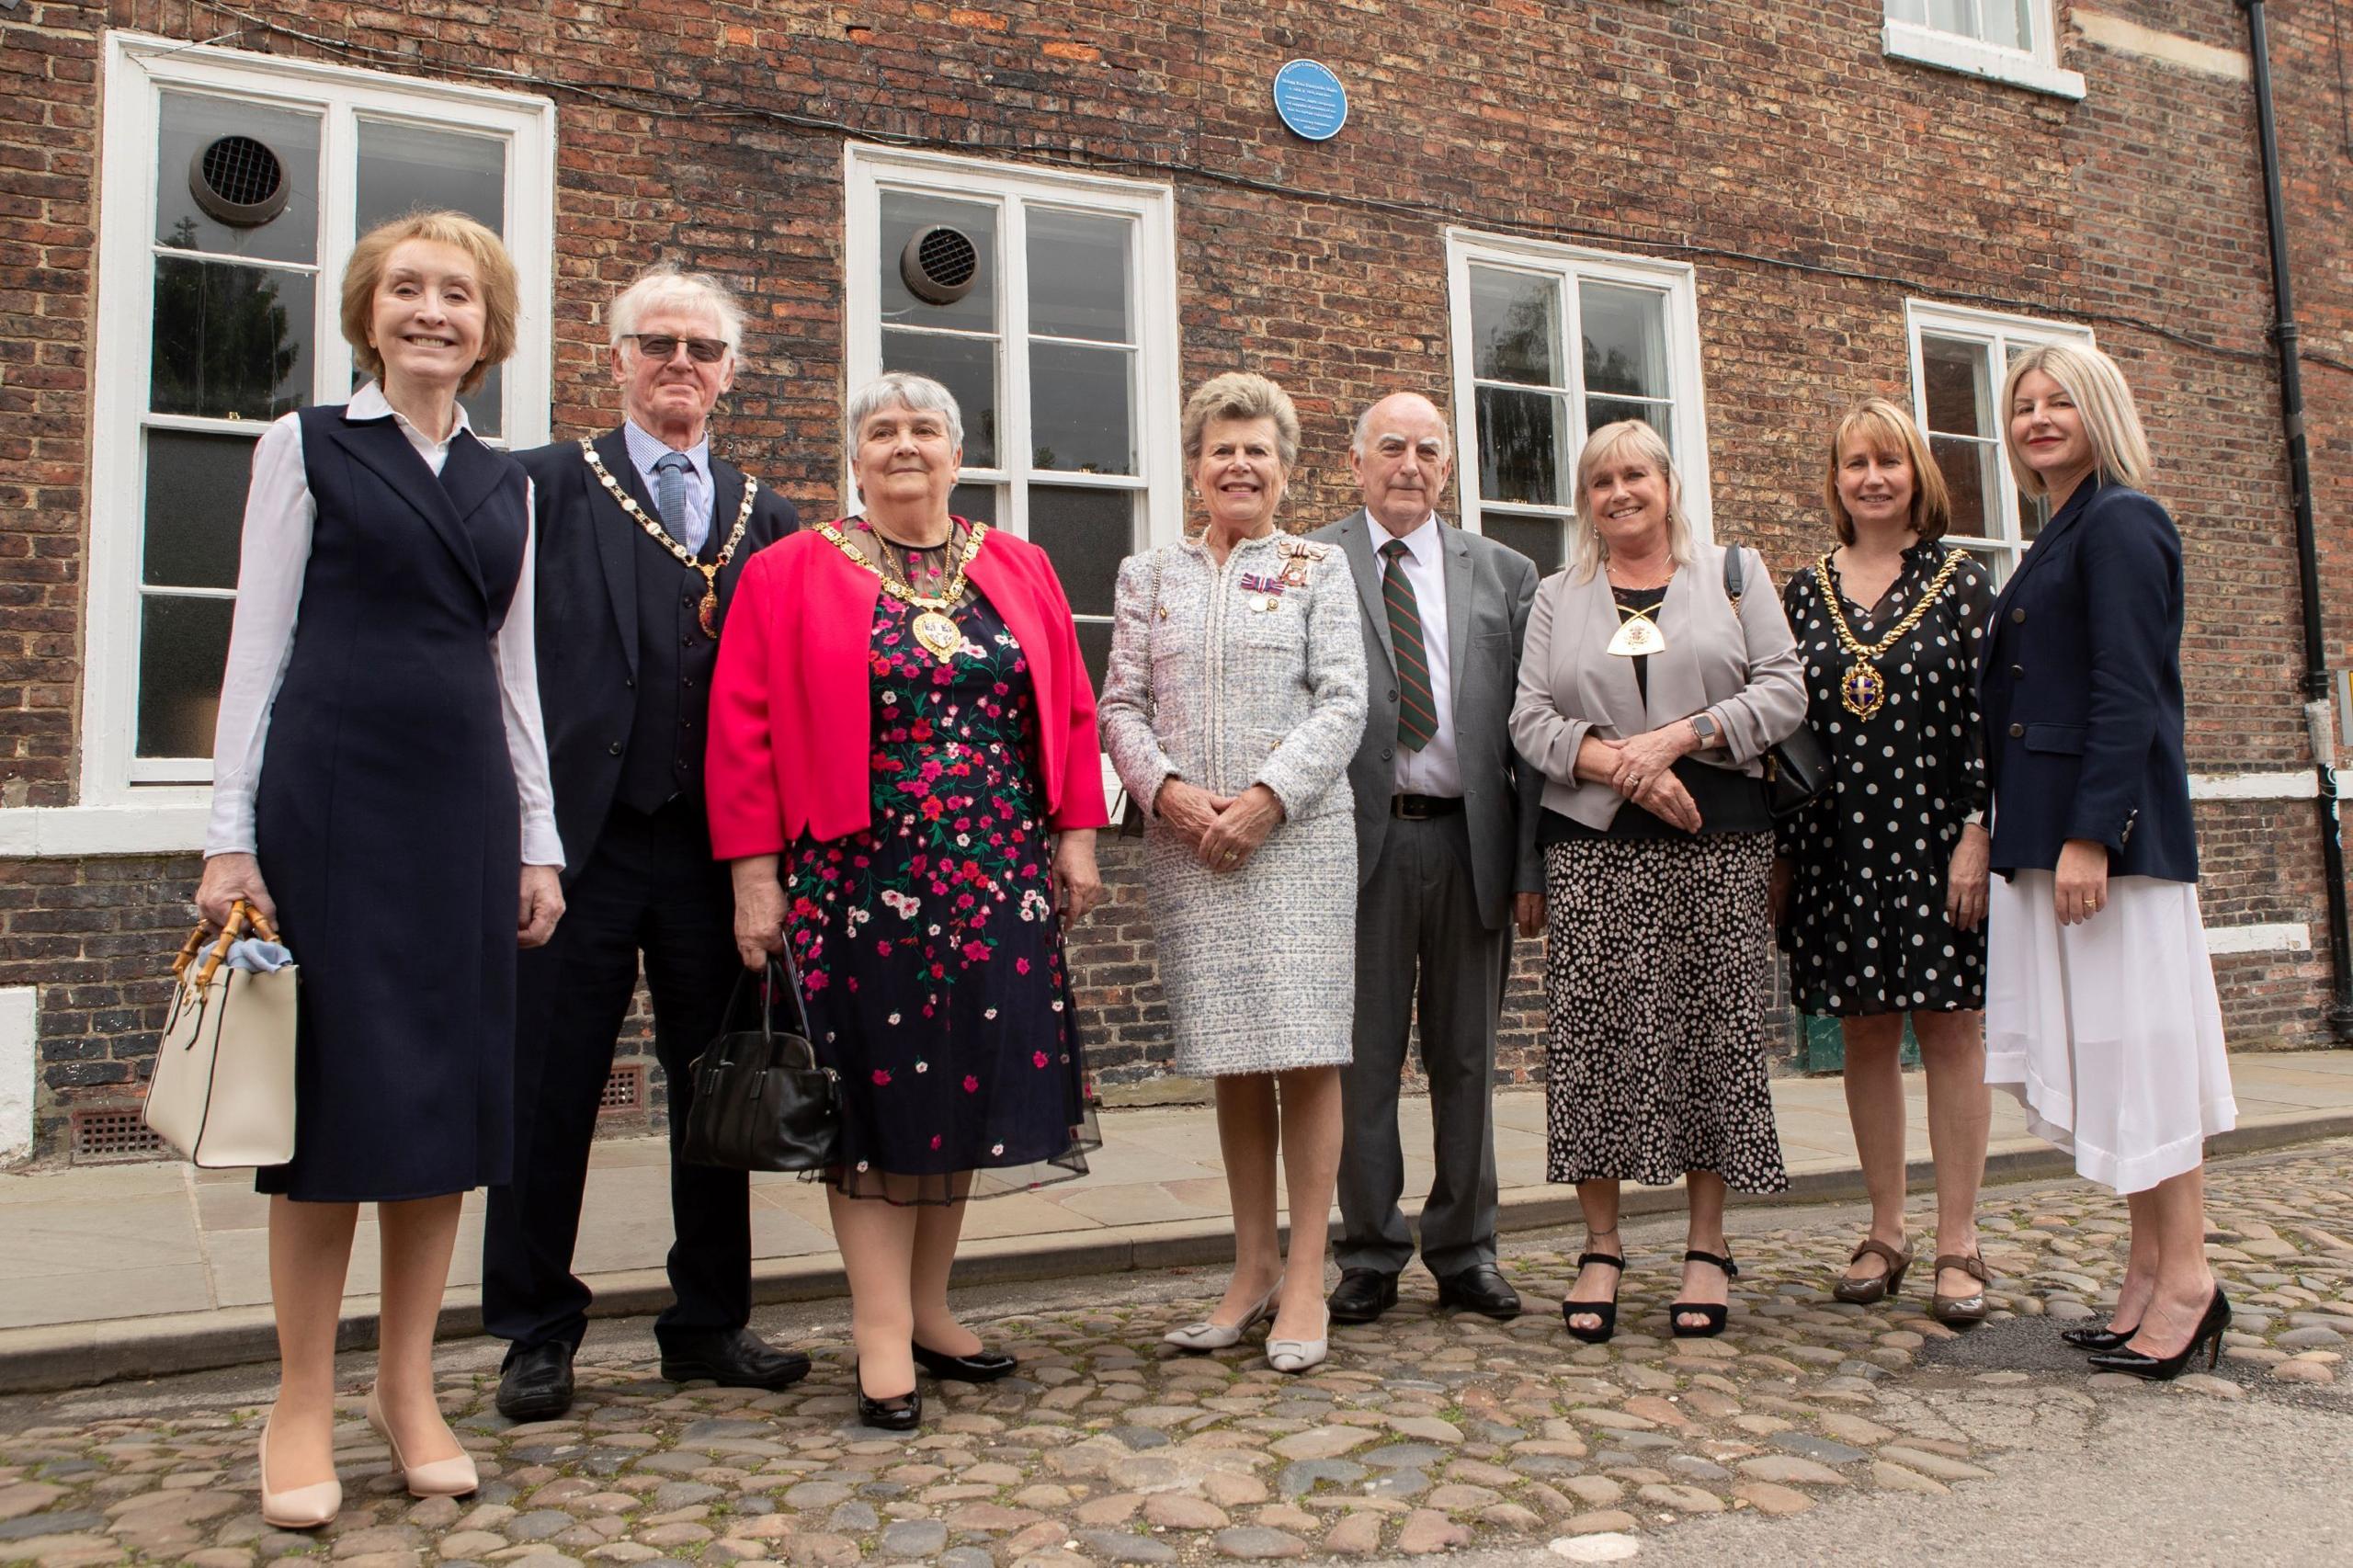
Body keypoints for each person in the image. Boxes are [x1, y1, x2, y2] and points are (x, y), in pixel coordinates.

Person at [195, 212, 563, 1528]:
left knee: (443, 1113)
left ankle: (407, 1387)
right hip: (332, 805)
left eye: (455, 294)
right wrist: (228, 835)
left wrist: (540, 842)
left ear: (487, 323)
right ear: (369, 311)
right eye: (406, 289)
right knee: (334, 1116)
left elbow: (515, 676)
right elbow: (255, 649)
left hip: (462, 813)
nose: (430, 311)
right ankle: (302, 1394)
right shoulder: (305, 447)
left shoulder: (510, 483)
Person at [707, 371, 1107, 1431]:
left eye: (923, 427)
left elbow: (1068, 703)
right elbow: (741, 724)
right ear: (854, 457)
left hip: (997, 873)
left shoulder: (1016, 564)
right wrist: (754, 875)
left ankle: (931, 1306)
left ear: (956, 451)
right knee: (876, 1105)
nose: (902, 444)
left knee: (960, 1088)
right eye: (880, 430)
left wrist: (1074, 835)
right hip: (857, 879)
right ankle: (879, 1326)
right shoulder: (788, 571)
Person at [483, 265, 806, 1423]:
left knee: (718, 1091)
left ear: (730, 371)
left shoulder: (769, 518)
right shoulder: (540, 488)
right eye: (656, 342)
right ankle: (533, 1326)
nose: (681, 363)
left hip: (715, 854)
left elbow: (786, 698)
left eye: (704, 348)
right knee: (547, 1087)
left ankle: (709, 1319)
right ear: (612, 356)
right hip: (571, 846)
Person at [1508, 419, 1806, 1342]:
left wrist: (1681, 738)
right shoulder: (1560, 594)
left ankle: (1706, 1243)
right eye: (1599, 480)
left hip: (1717, 835)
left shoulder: (1733, 574)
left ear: (1668, 484)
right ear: (1585, 501)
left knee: (1710, 1029)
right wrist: (1619, 765)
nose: (1618, 492)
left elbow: (1783, 689)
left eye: (1634, 473)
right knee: (1593, 1035)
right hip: (1593, 837)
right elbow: (1527, 719)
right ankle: (1600, 1243)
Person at [1099, 371, 1368, 1375]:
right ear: (1196, 464)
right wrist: (1165, 791)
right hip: (1188, 843)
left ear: (1286, 469)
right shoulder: (1149, 573)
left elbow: (1344, 702)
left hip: (1294, 839)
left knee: (1303, 1049)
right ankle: (1250, 1262)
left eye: (1258, 449)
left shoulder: (1317, 569)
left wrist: (1264, 797)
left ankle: (1306, 1270)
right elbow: (1118, 702)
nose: (1239, 464)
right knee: (1233, 1052)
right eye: (1223, 448)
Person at [1980, 342, 2237, 1379]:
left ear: (2100, 411)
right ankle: (2146, 1270)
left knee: (2148, 1064)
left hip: (2109, 848)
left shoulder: (2122, 518)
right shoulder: (2060, 529)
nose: (2037, 417)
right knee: (2120, 1064)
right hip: (2054, 833)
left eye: (2058, 402)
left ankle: (2188, 1278)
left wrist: (2093, 831)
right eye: (2023, 404)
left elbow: (2128, 688)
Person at [1305, 392, 1543, 1326]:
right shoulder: (1311, 559)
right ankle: (1367, 1250)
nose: (1409, 463)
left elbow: (1527, 733)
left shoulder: (1505, 572)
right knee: (1361, 1061)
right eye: (1391, 447)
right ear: (1356, 461)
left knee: (1468, 1057)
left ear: (1449, 467)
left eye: (1428, 450)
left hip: (1467, 838)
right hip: (1353, 844)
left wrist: (1528, 865)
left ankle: (1465, 1247)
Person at [1772, 398, 1996, 1323]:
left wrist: (1980, 832)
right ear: (1834, 480)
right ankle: (1885, 1226)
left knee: (1949, 1029)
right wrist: (1783, 859)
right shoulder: (1799, 589)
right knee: (1864, 1030)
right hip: (1837, 844)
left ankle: (1959, 1237)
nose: (1871, 477)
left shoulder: (1963, 581)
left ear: (1917, 475)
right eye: (1854, 462)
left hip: (1939, 840)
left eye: (1888, 461)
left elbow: (1991, 721)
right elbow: (1780, 731)